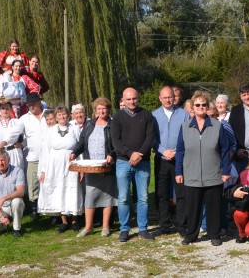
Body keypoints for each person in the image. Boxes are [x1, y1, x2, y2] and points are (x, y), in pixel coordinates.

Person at [175, 91, 232, 246]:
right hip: (191, 174)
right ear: (192, 107)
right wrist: (178, 171)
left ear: (208, 107)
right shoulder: (185, 127)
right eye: (197, 104)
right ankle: (191, 234)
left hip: (213, 174)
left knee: (214, 207)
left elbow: (225, 150)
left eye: (204, 104)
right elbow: (180, 150)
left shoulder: (217, 126)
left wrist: (226, 171)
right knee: (192, 207)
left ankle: (214, 234)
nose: (201, 107)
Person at [110, 87, 156, 242]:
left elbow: (150, 137)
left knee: (143, 197)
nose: (131, 101)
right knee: (123, 198)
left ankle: (142, 229)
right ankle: (124, 229)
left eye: (134, 98)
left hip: (142, 162)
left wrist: (139, 154)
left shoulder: (147, 115)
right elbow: (116, 141)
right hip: (123, 162)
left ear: (138, 98)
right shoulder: (117, 118)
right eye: (128, 99)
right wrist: (131, 153)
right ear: (123, 100)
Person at [71, 97, 117, 237]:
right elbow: (82, 142)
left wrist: (112, 155)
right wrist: (74, 152)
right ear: (95, 111)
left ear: (108, 110)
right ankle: (88, 227)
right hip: (91, 167)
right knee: (90, 196)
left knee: (107, 197)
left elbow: (117, 144)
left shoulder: (113, 125)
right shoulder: (89, 125)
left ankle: (105, 226)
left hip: (107, 168)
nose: (102, 111)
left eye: (104, 108)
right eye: (99, 109)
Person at [152, 86, 191, 236]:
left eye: (170, 97)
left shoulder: (184, 114)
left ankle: (182, 225)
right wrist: (163, 150)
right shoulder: (153, 115)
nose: (168, 100)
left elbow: (188, 136)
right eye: (165, 97)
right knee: (162, 194)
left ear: (174, 98)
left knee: (181, 193)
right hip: (161, 159)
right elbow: (152, 138)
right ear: (160, 98)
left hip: (179, 159)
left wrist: (176, 151)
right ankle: (164, 225)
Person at [38, 106, 83, 232]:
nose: (62, 117)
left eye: (64, 114)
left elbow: (81, 148)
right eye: (59, 115)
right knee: (59, 190)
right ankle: (63, 221)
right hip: (55, 165)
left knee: (72, 189)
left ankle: (74, 220)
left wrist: (81, 168)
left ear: (68, 115)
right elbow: (45, 152)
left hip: (71, 163)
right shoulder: (51, 131)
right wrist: (43, 170)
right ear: (56, 117)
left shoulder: (74, 128)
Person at [19, 92, 48, 220]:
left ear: (39, 102)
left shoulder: (49, 114)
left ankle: (51, 211)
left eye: (33, 104)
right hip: (33, 156)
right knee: (32, 184)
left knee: (50, 183)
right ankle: (35, 210)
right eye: (29, 104)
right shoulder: (24, 119)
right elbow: (16, 133)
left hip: (49, 156)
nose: (31, 106)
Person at [0, 149, 25, 238]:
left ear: (8, 160)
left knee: (17, 201)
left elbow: (21, 192)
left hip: (12, 204)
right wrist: (0, 216)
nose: (0, 163)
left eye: (3, 160)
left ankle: (16, 228)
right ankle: (4, 225)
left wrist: (3, 198)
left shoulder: (18, 171)